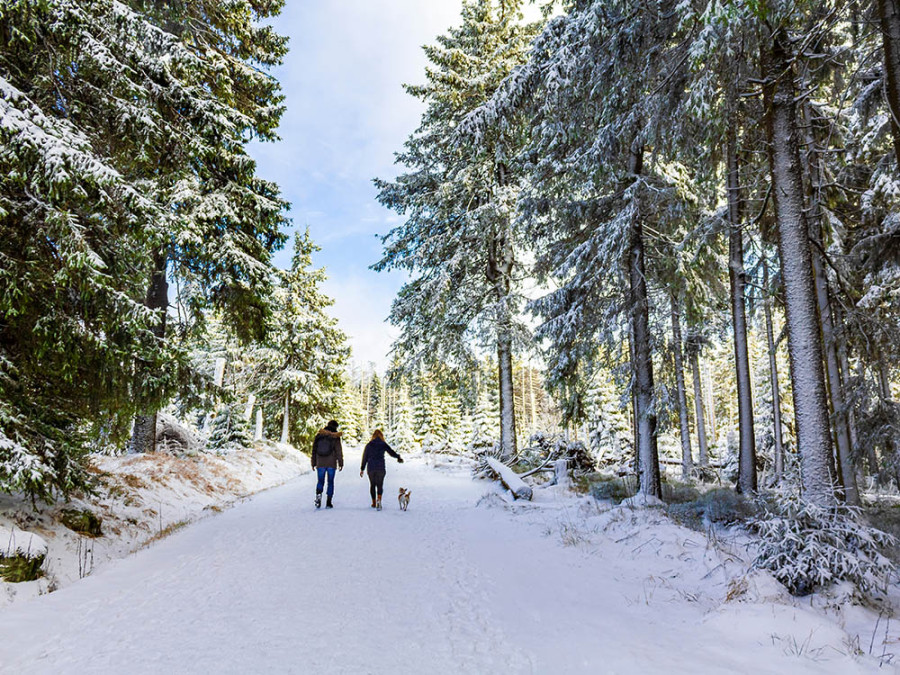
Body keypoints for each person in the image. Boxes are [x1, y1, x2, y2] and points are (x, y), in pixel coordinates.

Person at [360, 429, 403, 510]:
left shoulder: (369, 445)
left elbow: (364, 457)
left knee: (372, 485)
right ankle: (379, 500)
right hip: (380, 468)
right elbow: (391, 452)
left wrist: (362, 468)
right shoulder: (383, 444)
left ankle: (373, 503)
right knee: (380, 485)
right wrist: (398, 457)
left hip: (371, 468)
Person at [311, 420, 343, 508]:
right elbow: (338, 451)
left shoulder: (319, 435)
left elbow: (314, 450)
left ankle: (318, 496)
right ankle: (329, 502)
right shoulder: (335, 437)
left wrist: (313, 462)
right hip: (331, 463)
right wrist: (340, 462)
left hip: (320, 462)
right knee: (330, 482)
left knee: (320, 481)